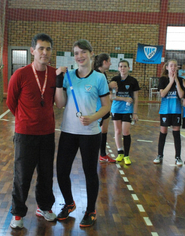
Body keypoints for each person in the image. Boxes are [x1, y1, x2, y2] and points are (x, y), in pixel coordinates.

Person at [55, 39, 110, 227]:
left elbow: (106, 107)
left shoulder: (99, 78)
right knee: (62, 171)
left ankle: (90, 210)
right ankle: (69, 203)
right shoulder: (68, 75)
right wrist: (58, 81)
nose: (79, 56)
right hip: (68, 131)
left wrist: (93, 117)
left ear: (91, 54)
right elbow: (60, 104)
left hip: (90, 133)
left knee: (89, 173)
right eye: (76, 53)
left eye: (83, 52)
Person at [6, 33, 59, 229]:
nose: (44, 52)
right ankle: (18, 214)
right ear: (32, 51)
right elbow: (11, 103)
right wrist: (24, 120)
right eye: (41, 49)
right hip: (25, 134)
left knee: (46, 174)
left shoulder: (55, 74)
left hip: (47, 134)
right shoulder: (20, 74)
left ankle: (44, 207)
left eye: (48, 49)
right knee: (22, 175)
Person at [153, 59, 185, 166]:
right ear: (167, 67)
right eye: (171, 66)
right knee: (163, 132)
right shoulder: (163, 79)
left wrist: (176, 81)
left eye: (175, 66)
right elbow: (162, 94)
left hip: (176, 110)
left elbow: (181, 95)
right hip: (165, 110)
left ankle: (178, 157)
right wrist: (171, 81)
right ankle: (159, 155)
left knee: (176, 133)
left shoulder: (180, 80)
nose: (173, 68)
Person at [110, 60, 140, 165]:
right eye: (121, 66)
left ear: (129, 68)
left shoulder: (133, 81)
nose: (123, 68)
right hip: (116, 109)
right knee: (117, 131)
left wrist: (135, 113)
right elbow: (112, 96)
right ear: (118, 68)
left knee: (125, 131)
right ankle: (120, 152)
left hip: (128, 110)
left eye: (125, 66)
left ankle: (127, 155)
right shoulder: (115, 80)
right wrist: (124, 98)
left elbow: (136, 98)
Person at [93, 53, 116, 163]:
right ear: (104, 62)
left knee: (104, 131)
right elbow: (95, 91)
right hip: (98, 109)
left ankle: (103, 154)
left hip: (105, 107)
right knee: (95, 133)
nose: (110, 63)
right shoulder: (95, 75)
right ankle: (92, 154)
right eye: (109, 61)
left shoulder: (103, 74)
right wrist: (109, 86)